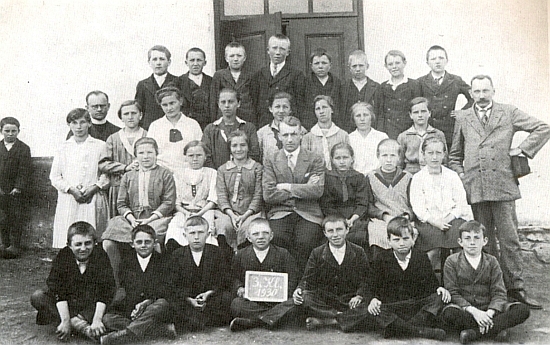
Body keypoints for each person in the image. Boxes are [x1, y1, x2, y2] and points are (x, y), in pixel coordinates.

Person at [449, 75, 550, 309]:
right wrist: (462, 174)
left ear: (493, 91)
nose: (482, 96)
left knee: (509, 240)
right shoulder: (463, 117)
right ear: (471, 93)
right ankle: (491, 290)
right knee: (483, 241)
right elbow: (455, 154)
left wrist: (521, 149)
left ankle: (517, 288)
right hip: (475, 186)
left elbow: (542, 128)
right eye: (477, 91)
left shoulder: (508, 112)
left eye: (486, 90)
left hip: (503, 185)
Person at [338, 217, 449, 340]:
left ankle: (399, 327)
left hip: (414, 305)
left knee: (439, 298)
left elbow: (431, 283)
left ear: (413, 239)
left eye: (406, 239)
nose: (401, 243)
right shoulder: (381, 258)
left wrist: (439, 288)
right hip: (391, 305)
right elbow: (370, 284)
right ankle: (417, 330)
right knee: (371, 310)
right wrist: (372, 299)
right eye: (396, 240)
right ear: (389, 241)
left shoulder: (420, 257)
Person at [102, 137, 176, 287]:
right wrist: (131, 219)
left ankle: (154, 284)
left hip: (157, 219)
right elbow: (121, 203)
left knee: (151, 239)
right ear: (136, 155)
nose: (146, 156)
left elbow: (169, 202)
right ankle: (118, 284)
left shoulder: (165, 174)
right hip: (133, 220)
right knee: (108, 241)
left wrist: (150, 220)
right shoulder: (128, 176)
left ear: (157, 153)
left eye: (150, 152)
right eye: (141, 153)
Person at [441, 221, 530, 344]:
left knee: (522, 310)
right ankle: (496, 329)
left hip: (490, 308)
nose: (472, 242)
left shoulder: (492, 261)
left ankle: (474, 333)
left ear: (485, 241)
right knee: (449, 313)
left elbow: (499, 292)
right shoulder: (451, 261)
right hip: (467, 310)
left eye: (477, 238)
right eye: (467, 238)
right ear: (460, 242)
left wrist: (489, 313)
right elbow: (453, 292)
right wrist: (475, 312)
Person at [31, 222, 115, 342]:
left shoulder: (100, 255)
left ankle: (78, 323)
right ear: (69, 245)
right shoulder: (63, 256)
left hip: (91, 304)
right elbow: (58, 290)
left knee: (117, 297)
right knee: (38, 296)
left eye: (88, 243)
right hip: (69, 303)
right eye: (78, 244)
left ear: (95, 243)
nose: (83, 248)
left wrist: (97, 319)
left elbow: (106, 290)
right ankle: (80, 326)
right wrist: (66, 320)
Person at [263, 116, 325, 273]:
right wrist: (303, 189)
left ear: (301, 134)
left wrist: (287, 187)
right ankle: (284, 284)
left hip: (308, 212)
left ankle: (303, 285)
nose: (289, 139)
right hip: (280, 212)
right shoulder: (271, 158)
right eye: (285, 135)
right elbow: (269, 194)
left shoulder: (314, 158)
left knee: (306, 241)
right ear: (279, 136)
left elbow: (317, 191)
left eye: (294, 134)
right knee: (276, 238)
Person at [100, 225, 175, 345]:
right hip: (134, 308)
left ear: (154, 243)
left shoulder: (164, 261)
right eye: (139, 242)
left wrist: (148, 301)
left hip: (153, 306)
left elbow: (166, 288)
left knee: (162, 304)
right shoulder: (126, 262)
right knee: (107, 319)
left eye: (147, 242)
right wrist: (135, 308)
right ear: (132, 244)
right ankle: (161, 330)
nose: (143, 245)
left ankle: (122, 335)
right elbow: (126, 287)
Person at [291, 215, 368, 331]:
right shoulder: (317, 252)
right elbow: (307, 278)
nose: (335, 235)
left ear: (347, 230)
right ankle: (343, 317)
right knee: (305, 297)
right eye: (330, 231)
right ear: (325, 233)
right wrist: (299, 289)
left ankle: (327, 321)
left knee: (370, 305)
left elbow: (366, 278)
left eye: (339, 230)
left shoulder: (358, 251)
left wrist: (359, 295)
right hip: (326, 300)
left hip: (349, 299)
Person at [410, 136, 472, 272]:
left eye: (438, 153)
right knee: (433, 250)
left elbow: (461, 202)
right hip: (428, 221)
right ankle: (433, 285)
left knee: (458, 246)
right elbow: (418, 206)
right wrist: (435, 222)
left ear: (444, 154)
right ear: (423, 155)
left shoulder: (452, 176)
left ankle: (455, 283)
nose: (434, 157)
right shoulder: (418, 178)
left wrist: (448, 218)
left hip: (452, 219)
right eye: (430, 153)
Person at [50, 108, 109, 249]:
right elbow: (55, 176)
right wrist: (71, 190)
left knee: (93, 235)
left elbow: (106, 173)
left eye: (82, 122)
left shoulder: (100, 145)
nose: (78, 126)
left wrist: (93, 188)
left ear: (89, 123)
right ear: (69, 125)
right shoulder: (63, 148)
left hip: (92, 197)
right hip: (69, 198)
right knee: (69, 235)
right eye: (74, 123)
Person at [229, 218, 299, 331]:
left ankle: (253, 322)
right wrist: (239, 288)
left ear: (271, 236)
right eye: (255, 234)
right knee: (236, 304)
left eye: (265, 233)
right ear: (249, 237)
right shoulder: (241, 255)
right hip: (252, 302)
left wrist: (284, 293)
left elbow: (293, 277)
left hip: (277, 302)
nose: (261, 237)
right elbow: (233, 276)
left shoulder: (283, 254)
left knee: (294, 305)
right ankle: (271, 319)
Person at [164, 141, 232, 255]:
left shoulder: (212, 173)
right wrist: (185, 213)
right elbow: (176, 202)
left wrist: (200, 213)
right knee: (174, 230)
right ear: (185, 157)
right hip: (184, 212)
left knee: (205, 233)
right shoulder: (178, 174)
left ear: (205, 156)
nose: (195, 159)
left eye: (199, 155)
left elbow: (212, 200)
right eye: (191, 155)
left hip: (205, 211)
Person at [169, 216, 233, 331]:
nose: (196, 237)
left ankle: (191, 323)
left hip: (209, 299)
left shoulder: (216, 252)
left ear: (207, 235)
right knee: (171, 302)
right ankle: (202, 322)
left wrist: (208, 293)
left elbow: (223, 278)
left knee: (227, 298)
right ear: (185, 235)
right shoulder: (177, 254)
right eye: (192, 233)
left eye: (200, 232)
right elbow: (173, 283)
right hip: (187, 299)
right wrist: (189, 299)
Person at [418, 45, 473, 148]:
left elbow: (474, 96)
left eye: (441, 58)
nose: (437, 61)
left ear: (447, 60)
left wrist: (463, 112)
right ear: (427, 63)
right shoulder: (420, 82)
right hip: (428, 128)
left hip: (449, 128)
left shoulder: (456, 80)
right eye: (433, 59)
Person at [216, 130, 263, 249]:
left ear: (248, 147)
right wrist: (231, 215)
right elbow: (221, 195)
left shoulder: (257, 168)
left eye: (243, 145)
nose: (239, 149)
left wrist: (246, 215)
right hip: (228, 212)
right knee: (224, 226)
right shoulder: (223, 170)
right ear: (230, 148)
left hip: (251, 212)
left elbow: (258, 195)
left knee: (248, 228)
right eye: (234, 145)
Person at [100, 100, 147, 216]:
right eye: (126, 114)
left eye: (134, 113)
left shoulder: (148, 135)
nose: (130, 117)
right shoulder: (113, 138)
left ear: (140, 115)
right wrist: (125, 168)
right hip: (119, 187)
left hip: (144, 186)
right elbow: (103, 163)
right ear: (121, 117)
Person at [365, 139, 413, 253]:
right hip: (381, 220)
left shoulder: (408, 177)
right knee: (378, 235)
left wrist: (407, 216)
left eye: (392, 155)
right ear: (378, 156)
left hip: (403, 218)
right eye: (384, 155)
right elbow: (368, 205)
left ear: (399, 157)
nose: (388, 159)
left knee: (410, 234)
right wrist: (384, 216)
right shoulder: (370, 177)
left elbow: (415, 204)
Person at [320, 143, 370, 248]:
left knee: (359, 236)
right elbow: (326, 204)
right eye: (338, 158)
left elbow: (362, 203)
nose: (342, 161)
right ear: (332, 160)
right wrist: (341, 220)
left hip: (355, 216)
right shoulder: (327, 178)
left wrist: (352, 219)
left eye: (345, 157)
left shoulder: (359, 177)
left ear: (352, 159)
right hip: (333, 215)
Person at [251, 34, 306, 128]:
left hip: (288, 126)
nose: (278, 52)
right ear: (268, 50)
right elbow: (254, 104)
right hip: (264, 125)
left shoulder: (296, 75)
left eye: (282, 49)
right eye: (274, 48)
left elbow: (300, 105)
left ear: (288, 52)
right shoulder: (258, 75)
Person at [147, 86, 203, 173]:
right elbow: (150, 150)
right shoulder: (155, 126)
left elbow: (199, 150)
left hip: (188, 171)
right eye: (165, 105)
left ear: (180, 102)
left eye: (172, 103)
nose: (169, 108)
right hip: (162, 172)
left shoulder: (192, 124)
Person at [202, 88, 260, 169]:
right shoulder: (210, 129)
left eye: (231, 102)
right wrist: (219, 175)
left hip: (244, 175)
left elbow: (254, 154)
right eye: (223, 102)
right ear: (218, 104)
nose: (227, 105)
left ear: (238, 103)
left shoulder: (249, 128)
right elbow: (206, 156)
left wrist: (241, 172)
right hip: (217, 176)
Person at [0, 117, 31, 258]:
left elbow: (24, 170)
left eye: (14, 131)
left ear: (18, 131)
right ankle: (4, 244)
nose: (10, 134)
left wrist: (18, 187)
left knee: (16, 218)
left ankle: (14, 246)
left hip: (16, 192)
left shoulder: (23, 148)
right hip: (0, 190)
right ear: (1, 131)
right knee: (2, 218)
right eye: (7, 131)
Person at [374, 50, 421, 139]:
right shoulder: (382, 87)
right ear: (386, 66)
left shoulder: (414, 85)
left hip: (408, 133)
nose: (394, 67)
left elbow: (417, 111)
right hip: (388, 133)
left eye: (397, 63)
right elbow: (379, 114)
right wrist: (381, 134)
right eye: (390, 64)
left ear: (404, 63)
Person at [397, 97, 447, 174]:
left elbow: (444, 160)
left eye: (423, 111)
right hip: (410, 174)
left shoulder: (438, 134)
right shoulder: (403, 136)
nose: (420, 115)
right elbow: (399, 164)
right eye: (416, 112)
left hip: (433, 173)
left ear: (429, 113)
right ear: (410, 115)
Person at [135, 45, 179, 130]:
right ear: (149, 62)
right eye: (154, 59)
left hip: (173, 127)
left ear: (169, 62)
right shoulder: (142, 85)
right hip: (150, 128)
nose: (158, 63)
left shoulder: (178, 81)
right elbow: (139, 110)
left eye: (162, 59)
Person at [210, 42, 255, 124]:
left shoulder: (251, 76)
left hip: (246, 118)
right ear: (226, 58)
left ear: (244, 58)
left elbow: (255, 100)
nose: (235, 59)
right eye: (231, 56)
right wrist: (214, 122)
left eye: (239, 56)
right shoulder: (219, 75)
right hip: (225, 119)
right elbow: (213, 101)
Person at [256, 92, 306, 163]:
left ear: (290, 110)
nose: (281, 111)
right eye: (277, 107)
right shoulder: (262, 133)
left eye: (285, 107)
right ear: (270, 109)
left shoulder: (301, 130)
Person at [302, 95, 349, 170]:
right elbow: (305, 162)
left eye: (324, 107)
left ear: (332, 109)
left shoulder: (343, 135)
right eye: (318, 109)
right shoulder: (307, 137)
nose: (321, 111)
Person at [340, 50, 380, 133]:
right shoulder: (343, 88)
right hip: (349, 130)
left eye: (361, 65)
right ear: (349, 68)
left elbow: (379, 113)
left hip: (370, 130)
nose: (357, 69)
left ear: (367, 66)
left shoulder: (376, 87)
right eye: (354, 66)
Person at [303, 48, 342, 130]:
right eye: (317, 63)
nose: (320, 66)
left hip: (333, 126)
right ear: (311, 66)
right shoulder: (304, 83)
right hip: (310, 126)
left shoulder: (337, 83)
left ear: (330, 65)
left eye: (324, 63)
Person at [347, 102, 388, 175]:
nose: (362, 119)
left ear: (371, 117)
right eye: (358, 116)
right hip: (355, 179)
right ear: (353, 118)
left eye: (365, 115)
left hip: (378, 177)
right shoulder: (348, 138)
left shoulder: (382, 137)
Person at [178, 47, 212, 130]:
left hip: (208, 126)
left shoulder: (212, 81)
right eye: (192, 60)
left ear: (205, 62)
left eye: (199, 60)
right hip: (186, 127)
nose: (195, 64)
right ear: (186, 62)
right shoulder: (178, 82)